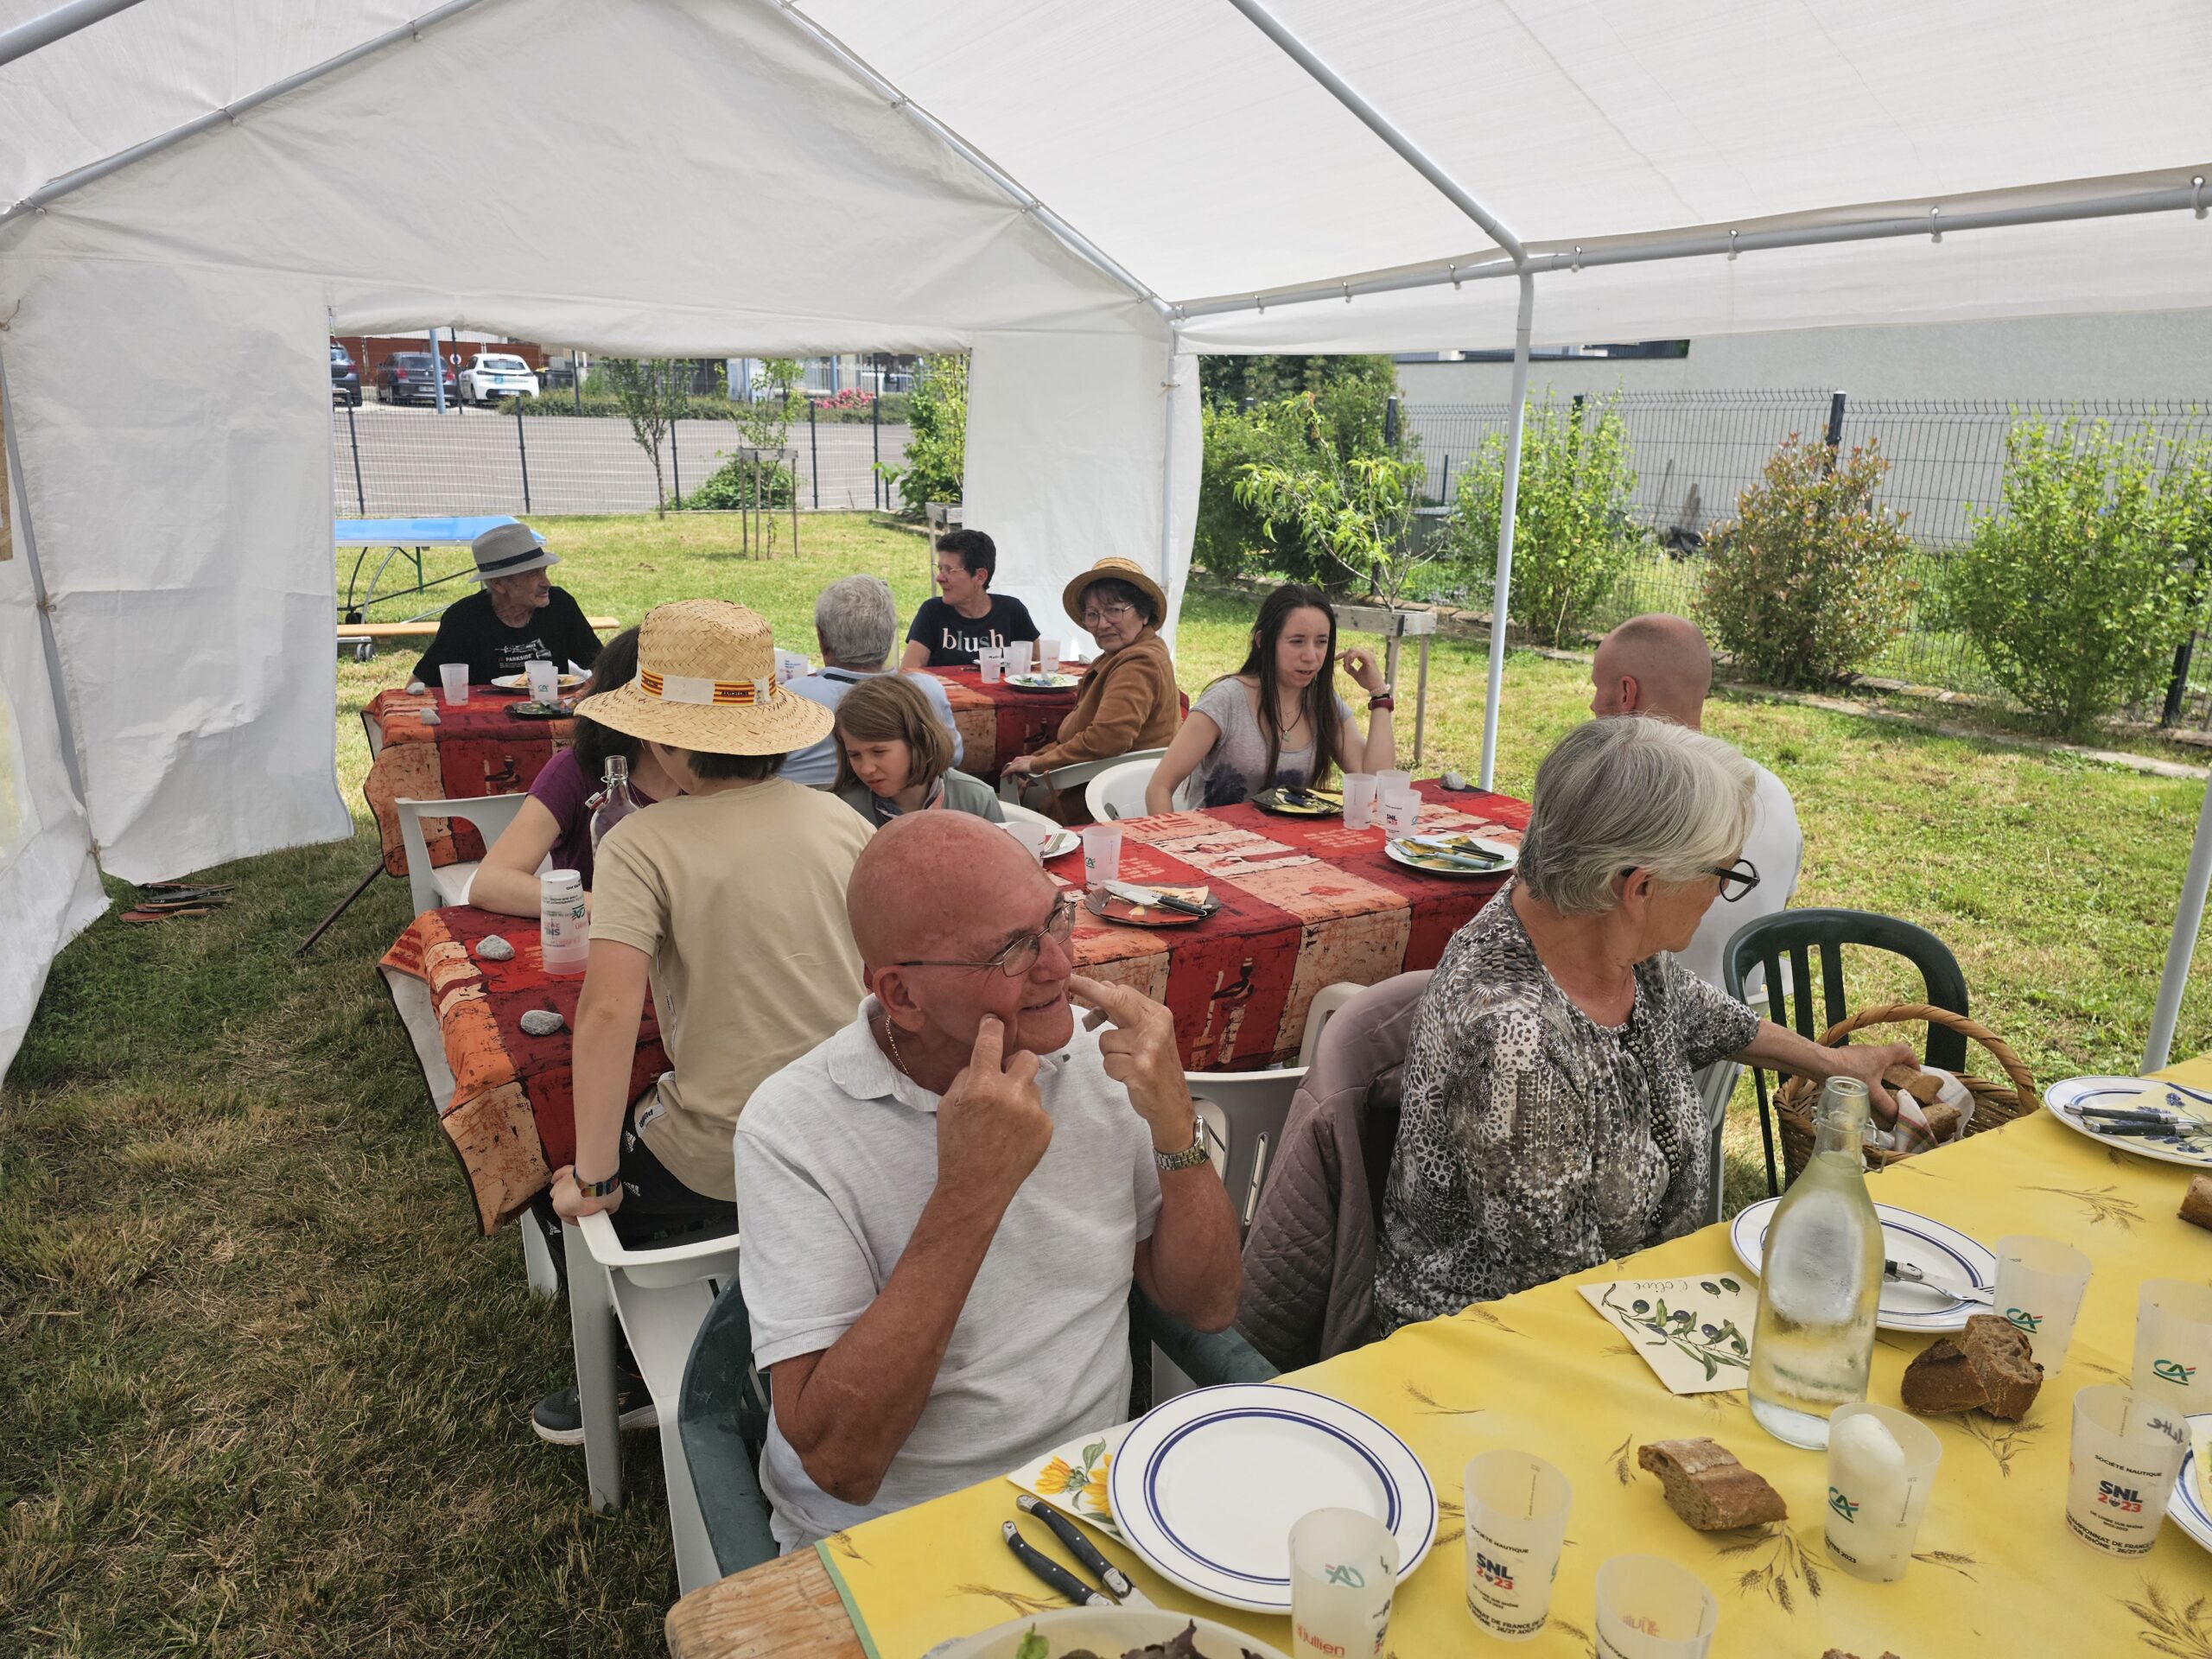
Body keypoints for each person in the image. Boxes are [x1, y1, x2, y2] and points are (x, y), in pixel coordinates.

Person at [734, 814, 1242, 1548]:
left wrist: (1174, 1122)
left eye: (1055, 919)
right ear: (901, 995)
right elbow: (842, 1464)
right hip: (892, 1537)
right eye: (1011, 951)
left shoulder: (1098, 1058)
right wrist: (971, 1191)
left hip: (1088, 1495)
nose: (1058, 967)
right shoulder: (794, 1128)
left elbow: (1209, 1305)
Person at [1373, 717, 1913, 1335]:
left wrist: (1835, 1064)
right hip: (1498, 1343)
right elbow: (1563, 1294)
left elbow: (1712, 1019)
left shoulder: (1604, 936)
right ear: (1641, 887)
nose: (1720, 895)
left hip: (1633, 1298)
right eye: (1723, 874)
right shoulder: (1517, 1045)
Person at [539, 599, 874, 1443]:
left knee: (555, 1186)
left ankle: (627, 1377)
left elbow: (607, 1012)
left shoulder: (640, 842)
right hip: (854, 1139)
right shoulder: (841, 818)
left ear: (658, 742)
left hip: (726, 1161)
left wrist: (595, 1179)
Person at [1590, 613, 1802, 991]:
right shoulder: (1772, 791)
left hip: (1645, 1013)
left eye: (1596, 688)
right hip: (1745, 1010)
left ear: (1625, 693)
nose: (1593, 705)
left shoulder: (1617, 796)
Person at [467, 629, 686, 916]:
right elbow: (490, 884)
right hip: (601, 932)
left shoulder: (715, 774)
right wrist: (616, 911)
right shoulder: (574, 771)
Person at [1145, 582, 1392, 814]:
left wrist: (1379, 694)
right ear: (1263, 641)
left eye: (1321, 642)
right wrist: (1173, 841)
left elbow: (1376, 784)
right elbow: (1159, 788)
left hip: (1291, 842)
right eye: (1297, 642)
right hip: (1213, 842)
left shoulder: (1324, 704)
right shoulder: (1226, 700)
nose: (1311, 656)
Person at [1001, 556, 1180, 821]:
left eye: (1114, 611)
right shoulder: (1125, 654)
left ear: (1143, 614)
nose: (1102, 624)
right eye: (1093, 615)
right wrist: (1036, 760)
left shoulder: (1138, 662)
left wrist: (1038, 764)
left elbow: (1108, 739)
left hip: (1105, 800)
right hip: (1097, 783)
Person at [785, 575, 963, 787]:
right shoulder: (926, 689)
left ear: (822, 638)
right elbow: (952, 757)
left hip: (812, 804)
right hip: (904, 804)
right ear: (890, 636)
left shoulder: (793, 696)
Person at [410, 521, 603, 685]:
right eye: (533, 574)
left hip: (552, 708)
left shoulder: (560, 605)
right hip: (485, 716)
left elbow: (601, 665)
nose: (546, 583)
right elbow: (419, 685)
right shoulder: (465, 619)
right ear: (499, 584)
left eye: (544, 571)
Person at [834, 675, 1006, 827]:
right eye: (854, 755)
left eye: (879, 752)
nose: (867, 769)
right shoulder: (844, 809)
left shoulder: (977, 799)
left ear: (918, 740)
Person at [899, 529, 1039, 669]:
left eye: (949, 570)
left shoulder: (1011, 611)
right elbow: (909, 673)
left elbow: (1038, 669)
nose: (939, 578)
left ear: (980, 577)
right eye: (940, 569)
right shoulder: (933, 612)